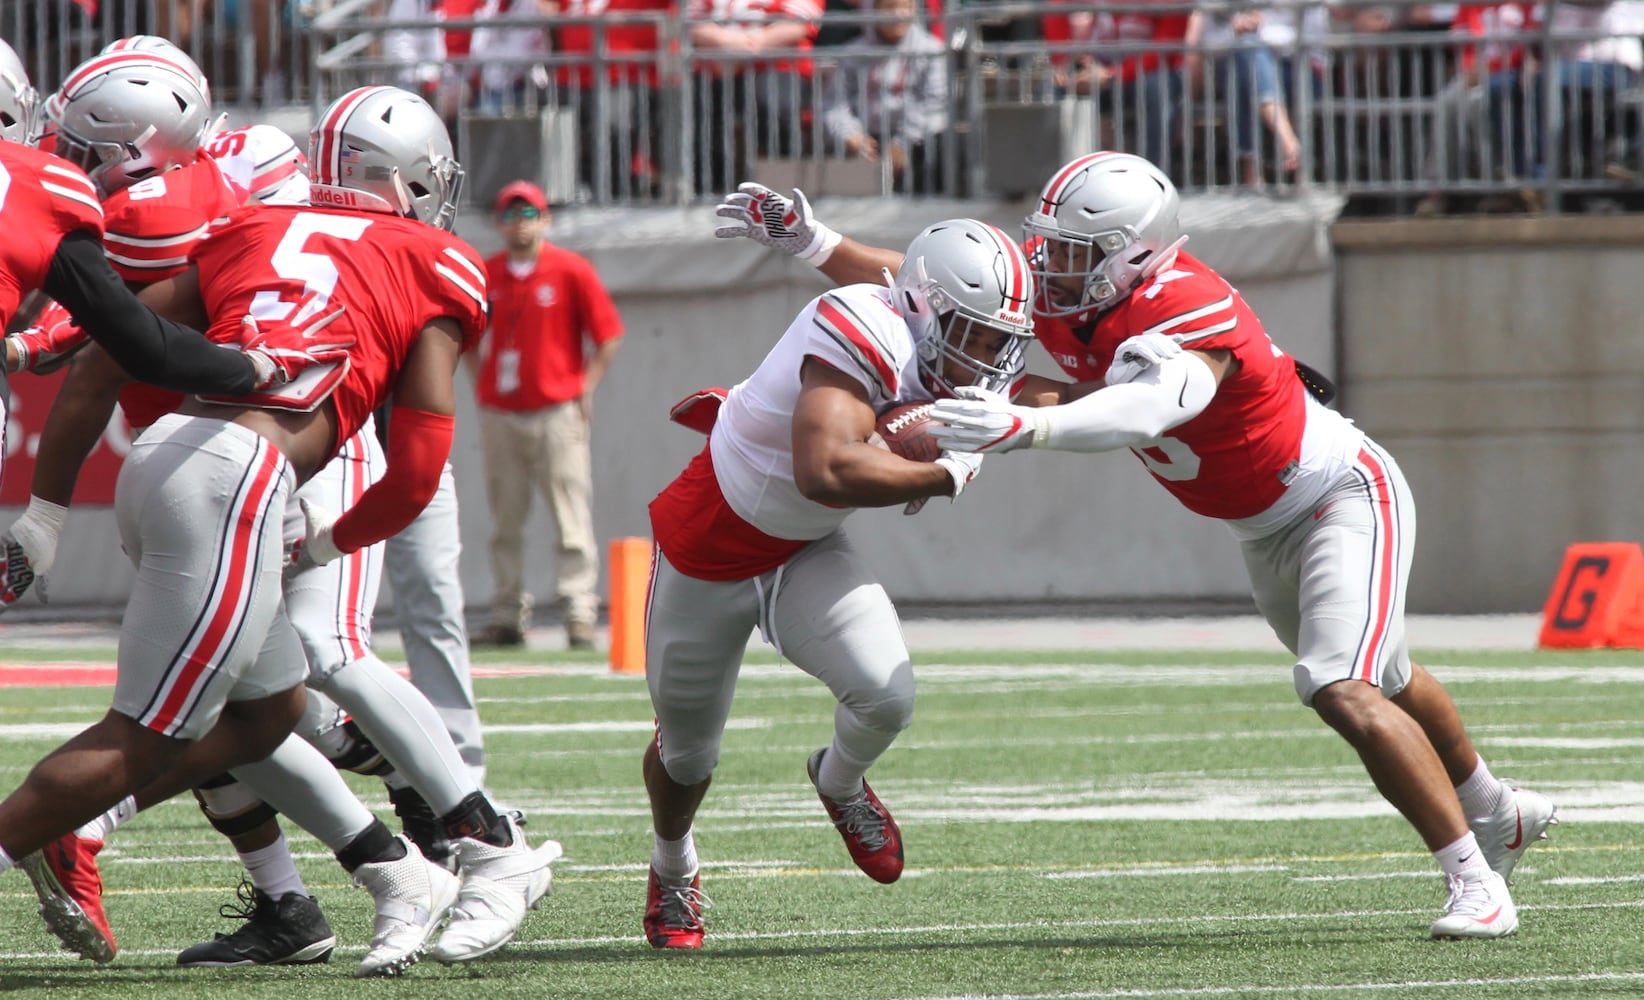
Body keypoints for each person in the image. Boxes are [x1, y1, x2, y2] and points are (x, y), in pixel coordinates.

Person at [712, 154, 1557, 941]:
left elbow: (1150, 408)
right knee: (1389, 678)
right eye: (1049, 248)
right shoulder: (1074, 288)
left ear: (1141, 257)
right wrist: (814, 242)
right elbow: (935, 285)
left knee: (1340, 685)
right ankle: (1496, 807)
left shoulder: (1184, 307)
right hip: (1261, 524)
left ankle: (1475, 882)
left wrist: (1030, 424)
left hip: (1340, 494)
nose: (1049, 268)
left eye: (1074, 253)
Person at [0, 84, 554, 976]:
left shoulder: (251, 225)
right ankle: (493, 846)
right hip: (239, 480)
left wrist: (48, 507)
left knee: (269, 711)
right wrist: (329, 542)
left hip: (166, 458)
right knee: (146, 733)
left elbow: (111, 350)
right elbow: (413, 473)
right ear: (412, 181)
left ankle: (398, 871)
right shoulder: (432, 256)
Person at [641, 217, 1034, 949]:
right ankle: (672, 866)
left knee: (887, 696)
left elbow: (1041, 388)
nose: (984, 357)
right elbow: (824, 469)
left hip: (804, 549)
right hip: (708, 546)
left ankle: (840, 781)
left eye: (993, 338)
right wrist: (944, 473)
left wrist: (1154, 397)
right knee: (688, 754)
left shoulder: (931, 312)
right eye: (971, 334)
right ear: (924, 308)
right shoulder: (860, 324)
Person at [471, 180, 623, 650]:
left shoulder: (570, 270)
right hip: (504, 412)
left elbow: (608, 335)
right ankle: (506, 613)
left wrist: (585, 388)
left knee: (570, 517)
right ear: (500, 223)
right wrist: (482, 385)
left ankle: (578, 613)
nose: (521, 223)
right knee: (506, 521)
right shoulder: (488, 273)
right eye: (512, 215)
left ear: (545, 220)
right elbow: (467, 337)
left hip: (557, 410)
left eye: (529, 214)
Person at [819, 0, 950, 194]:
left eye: (906, 7)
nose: (898, 15)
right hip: (867, 139)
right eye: (889, 7)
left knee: (936, 144)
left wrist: (902, 143)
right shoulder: (853, 53)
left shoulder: (932, 50)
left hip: (916, 140)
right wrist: (851, 136)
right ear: (873, 10)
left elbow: (934, 103)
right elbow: (834, 103)